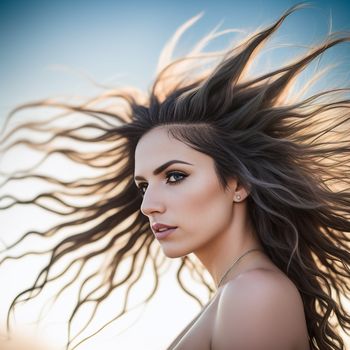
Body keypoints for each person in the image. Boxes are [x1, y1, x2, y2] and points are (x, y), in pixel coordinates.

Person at [1, 4, 350, 350]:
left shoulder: (254, 293)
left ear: (238, 184)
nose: (148, 206)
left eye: (174, 176)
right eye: (142, 186)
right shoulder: (235, 294)